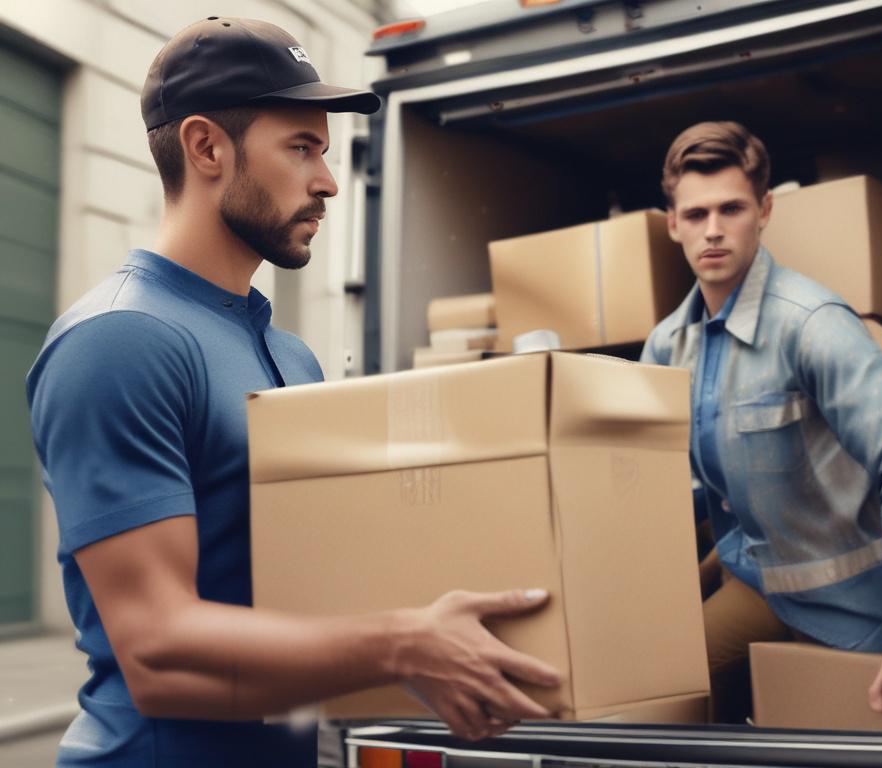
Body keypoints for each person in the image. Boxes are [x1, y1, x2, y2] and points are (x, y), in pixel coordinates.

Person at [26, 17, 559, 767]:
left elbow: (309, 603)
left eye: (326, 152)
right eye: (301, 148)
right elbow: (155, 648)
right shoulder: (119, 341)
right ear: (206, 147)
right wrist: (407, 645)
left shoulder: (289, 354)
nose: (328, 181)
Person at [641, 121, 882, 731]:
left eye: (731, 208)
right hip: (759, 582)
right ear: (673, 223)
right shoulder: (666, 346)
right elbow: (662, 489)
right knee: (648, 692)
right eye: (697, 212)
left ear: (763, 211)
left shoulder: (812, 324)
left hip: (856, 604)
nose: (713, 229)